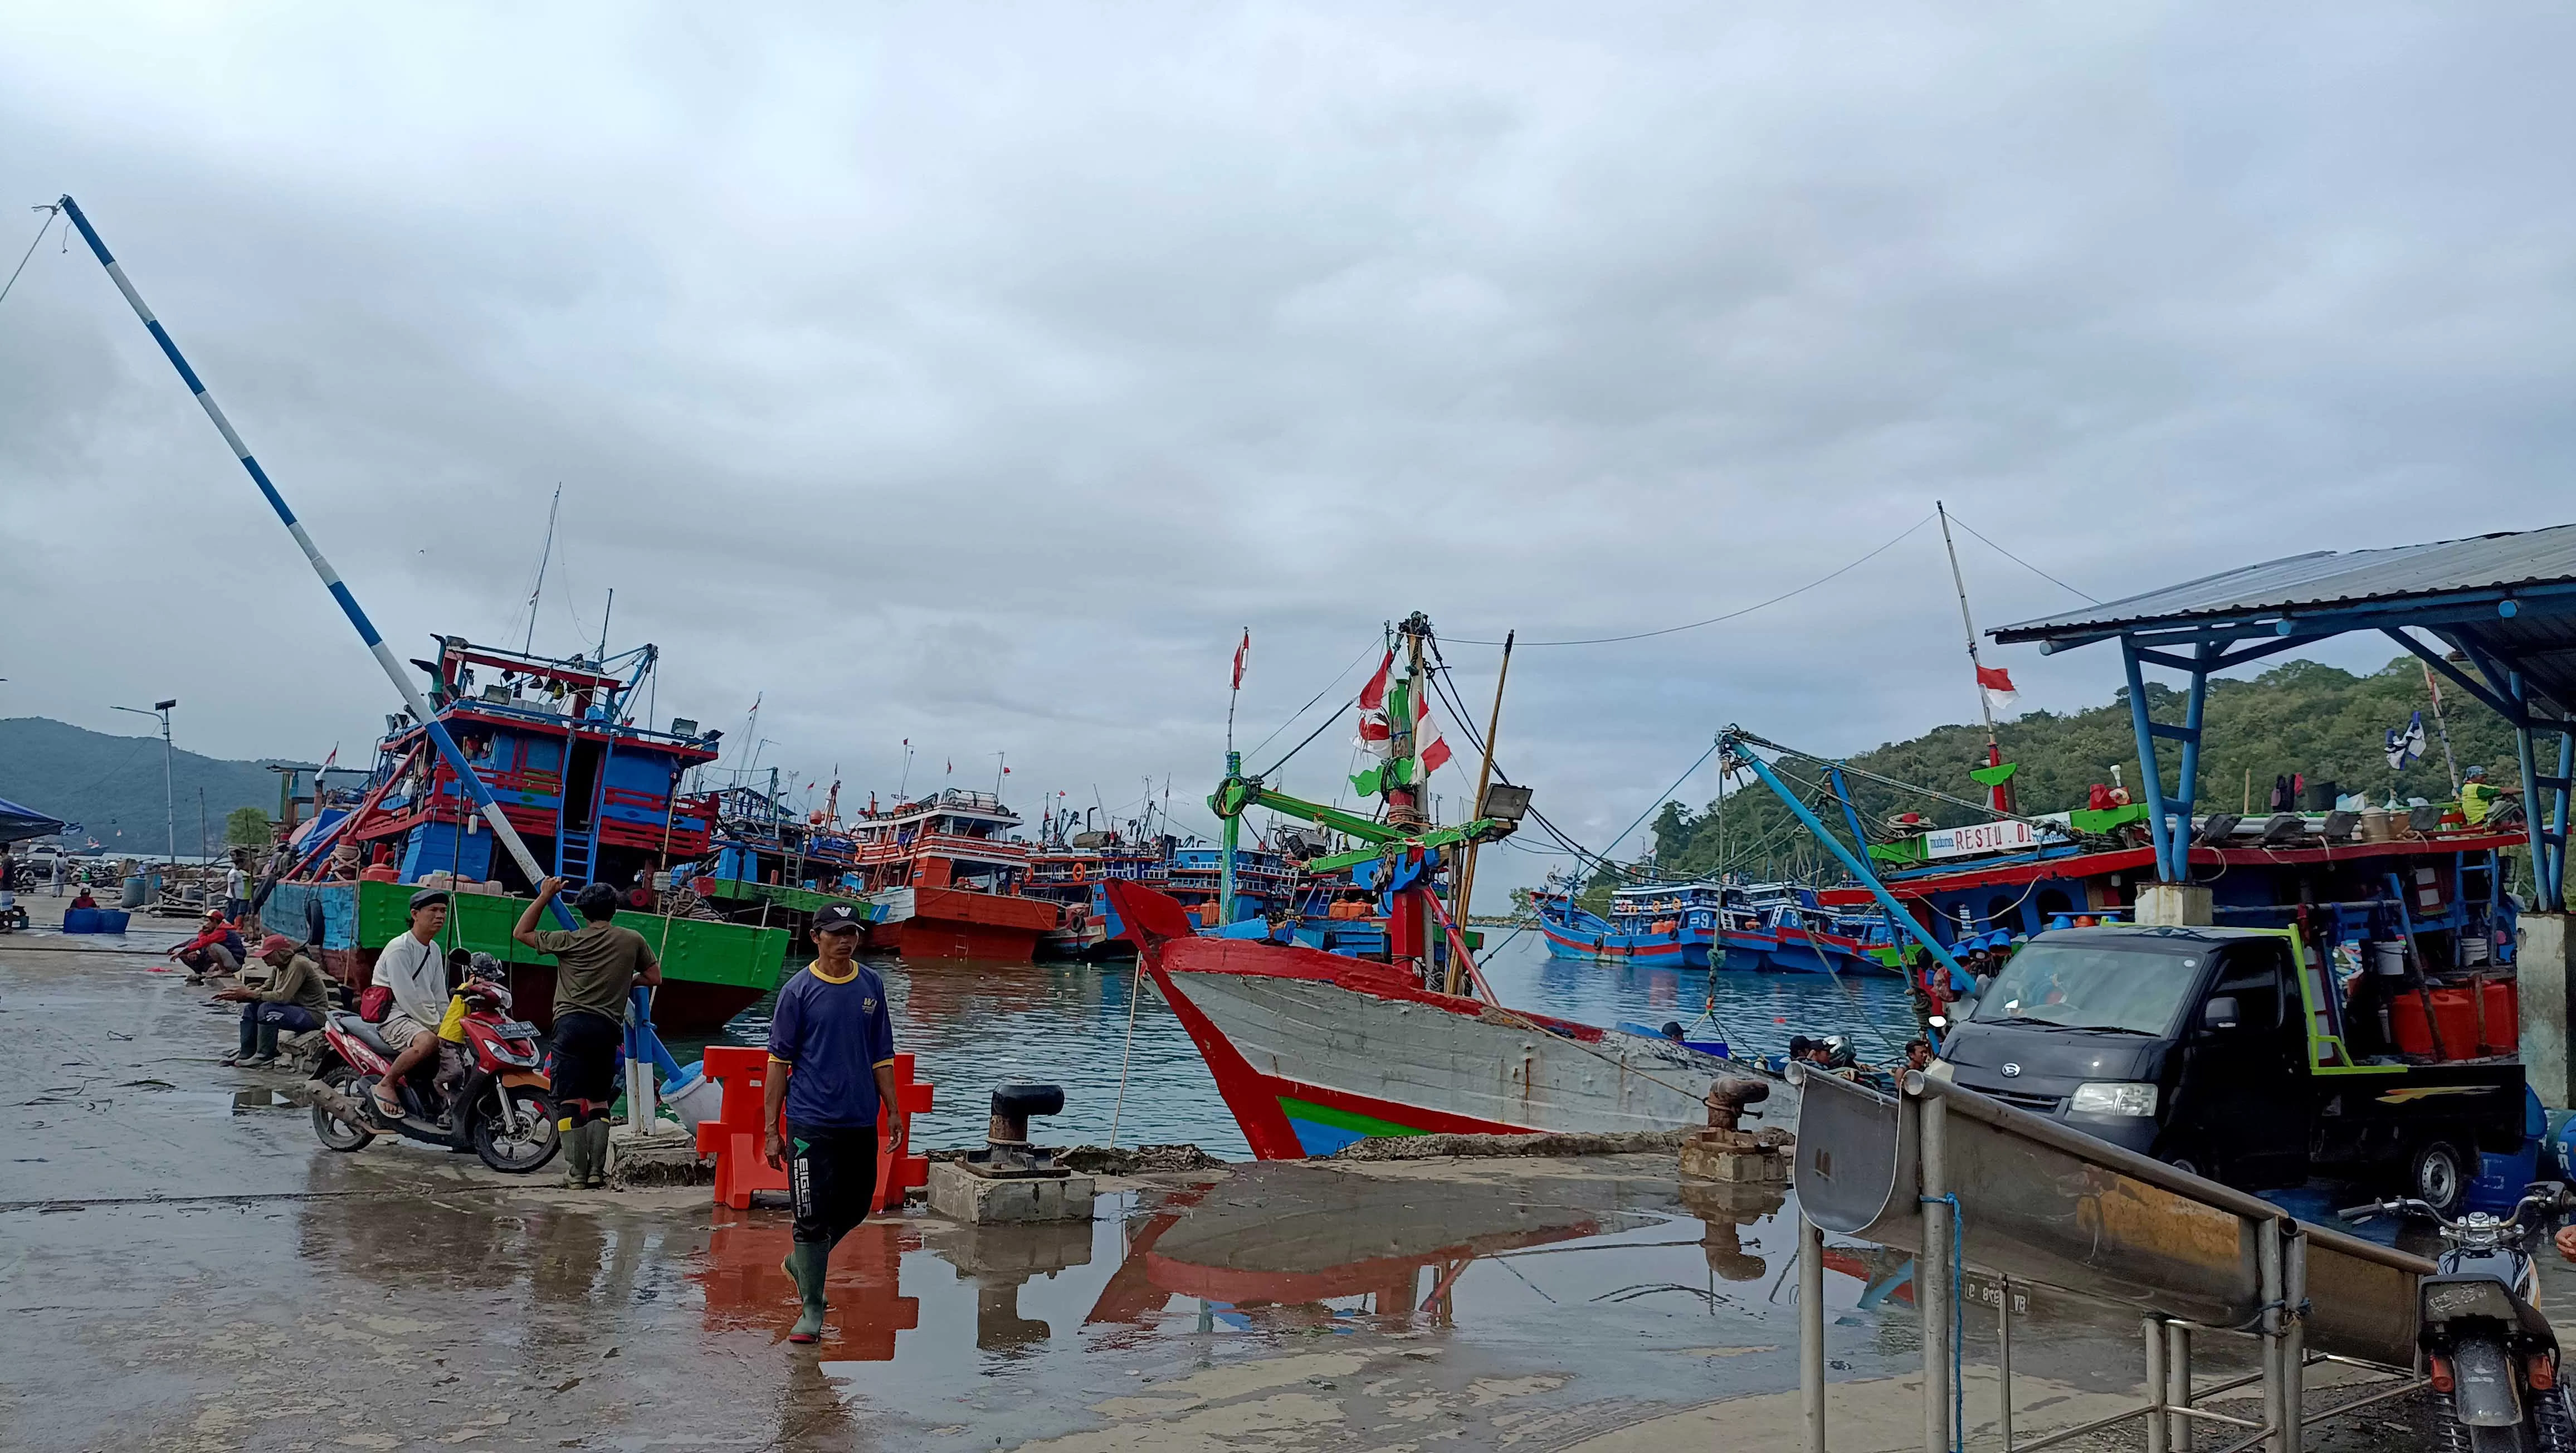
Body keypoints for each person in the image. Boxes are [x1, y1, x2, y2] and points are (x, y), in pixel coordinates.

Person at [763, 901, 902, 1345]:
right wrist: (772, 1129)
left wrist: (893, 1109)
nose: (846, 941)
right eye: (836, 933)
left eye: (853, 933)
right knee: (809, 1215)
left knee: (858, 1205)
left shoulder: (872, 985)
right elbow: (778, 1063)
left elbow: (882, 1053)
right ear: (816, 937)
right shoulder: (798, 992)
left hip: (860, 1117)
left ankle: (799, 1263)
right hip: (809, 1120)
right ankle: (812, 1307)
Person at [514, 876, 662, 1188]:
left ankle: (576, 1173)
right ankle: (596, 1171)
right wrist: (627, 983)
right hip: (606, 1028)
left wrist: (544, 896)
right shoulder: (632, 940)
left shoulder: (569, 940)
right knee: (598, 1100)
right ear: (614, 910)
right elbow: (654, 977)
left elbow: (521, 933)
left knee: (569, 1099)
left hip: (569, 1025)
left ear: (582, 912)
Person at [368, 890, 453, 1120]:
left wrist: (447, 1024)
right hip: (394, 1015)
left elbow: (439, 993)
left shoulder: (433, 949)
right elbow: (406, 996)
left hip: (421, 1017)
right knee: (428, 1041)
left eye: (443, 911)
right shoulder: (400, 948)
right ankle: (387, 1083)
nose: (440, 916)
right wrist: (435, 1027)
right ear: (415, 914)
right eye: (433, 910)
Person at [216, 935, 331, 1067]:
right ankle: (247, 1052)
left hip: (313, 1015)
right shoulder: (279, 967)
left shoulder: (298, 965)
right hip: (296, 1010)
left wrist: (249, 993)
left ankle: (265, 1056)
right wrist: (245, 995)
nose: (264, 959)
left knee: (267, 1010)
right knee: (251, 1009)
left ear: (279, 953)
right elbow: (265, 988)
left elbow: (282, 997)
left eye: (267, 955)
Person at [171, 910, 245, 982]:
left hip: (235, 964)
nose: (207, 924)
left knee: (212, 946)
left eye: (209, 921)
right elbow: (199, 943)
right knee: (196, 950)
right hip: (232, 961)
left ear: (215, 921)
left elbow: (204, 942)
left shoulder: (222, 931)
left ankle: (223, 970)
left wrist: (202, 932)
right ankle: (217, 969)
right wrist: (185, 951)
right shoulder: (218, 930)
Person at [223, 854, 251, 925]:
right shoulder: (233, 873)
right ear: (240, 864)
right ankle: (228, 925)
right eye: (243, 864)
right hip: (233, 896)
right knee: (231, 912)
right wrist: (234, 897)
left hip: (238, 896)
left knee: (235, 912)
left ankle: (231, 925)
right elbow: (232, 886)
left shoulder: (239, 872)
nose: (244, 865)